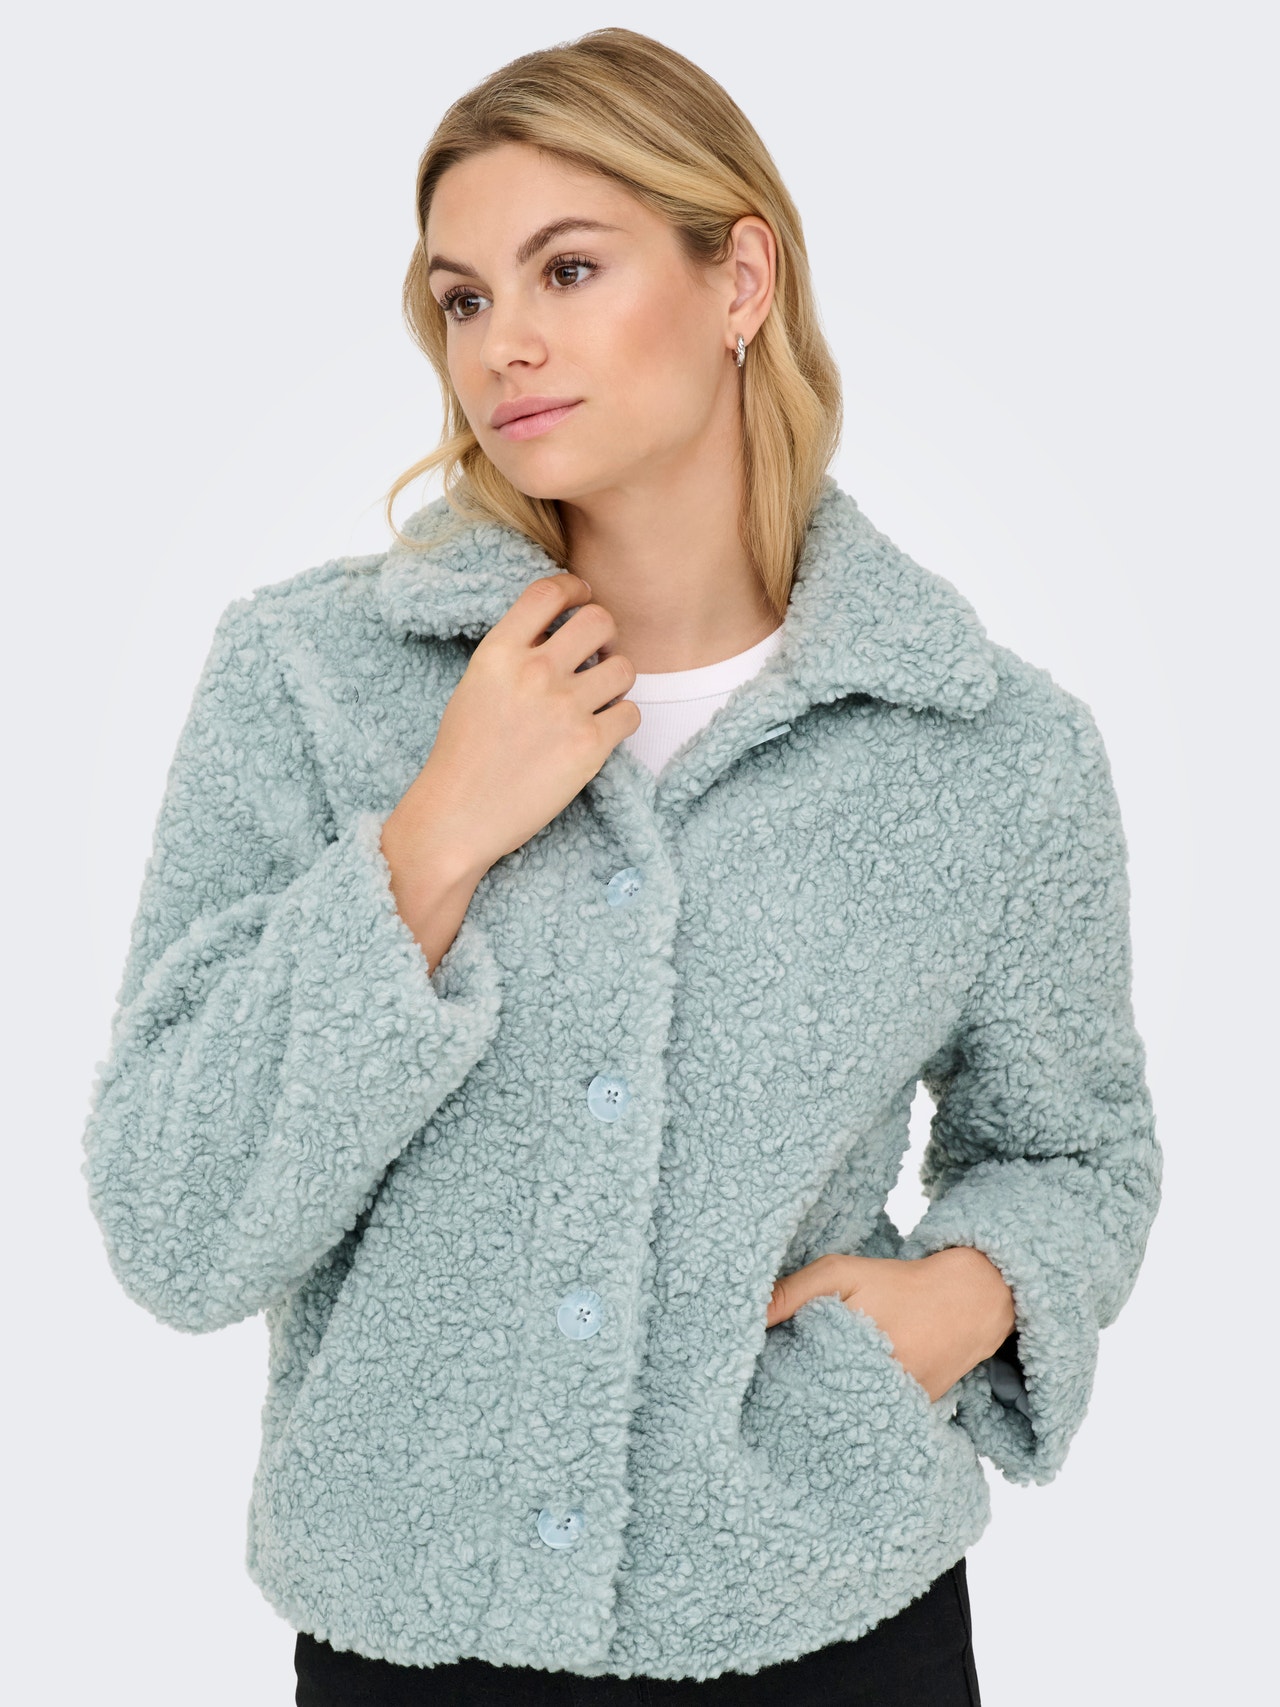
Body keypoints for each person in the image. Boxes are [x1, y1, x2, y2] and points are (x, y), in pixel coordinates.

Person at [80, 26, 1161, 1707]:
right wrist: (437, 833)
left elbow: (1079, 1157)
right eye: (462, 298)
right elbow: (172, 1219)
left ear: (741, 280)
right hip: (412, 1645)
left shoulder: (989, 751)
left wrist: (962, 1297)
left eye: (567, 271)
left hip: (830, 1625)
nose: (502, 343)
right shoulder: (310, 681)